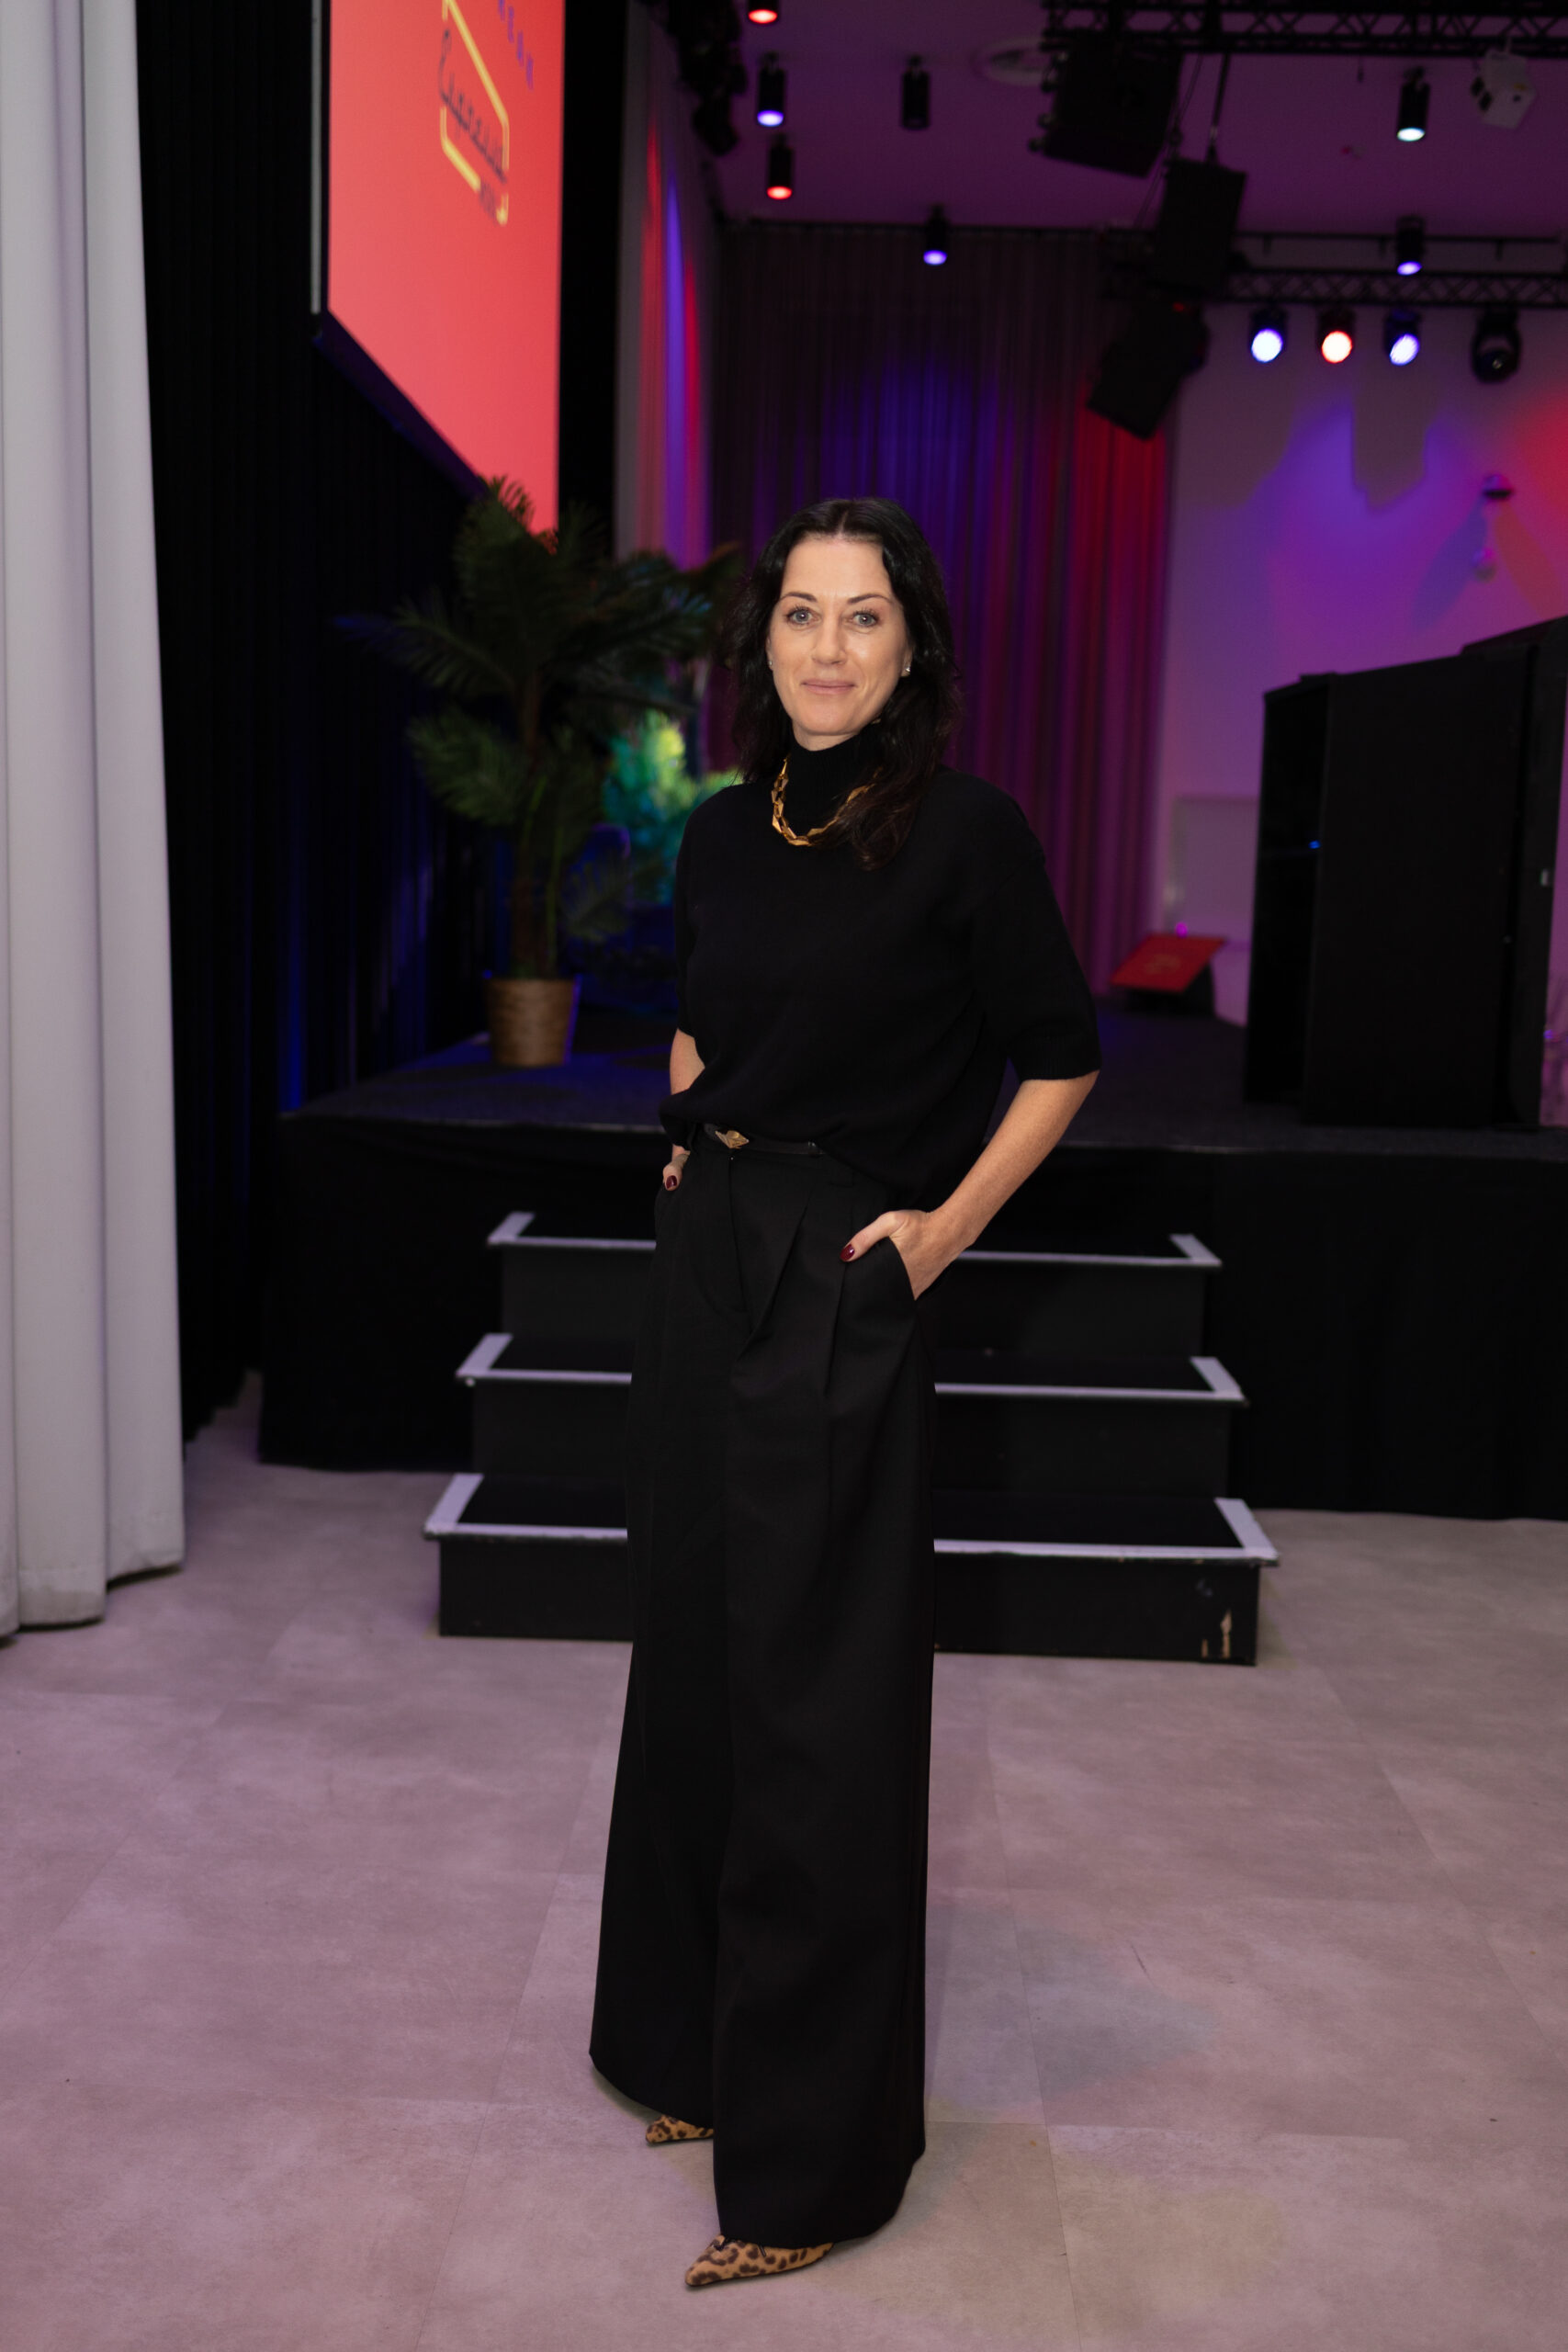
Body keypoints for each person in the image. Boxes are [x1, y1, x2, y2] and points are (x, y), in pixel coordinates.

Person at [590, 496, 1100, 2289]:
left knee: (822, 1701)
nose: (824, 647)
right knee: (692, 1651)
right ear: (766, 642)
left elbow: (1061, 1056)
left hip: (847, 1255)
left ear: (911, 645)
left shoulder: (965, 833)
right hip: (706, 1247)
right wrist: (685, 1135)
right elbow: (697, 1011)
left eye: (860, 616)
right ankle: (683, 2048)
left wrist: (941, 1232)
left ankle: (808, 2159)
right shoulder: (726, 830)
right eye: (799, 614)